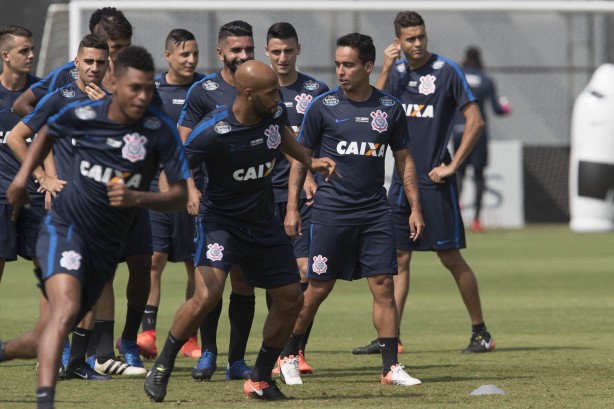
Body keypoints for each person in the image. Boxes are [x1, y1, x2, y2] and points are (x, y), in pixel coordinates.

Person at [0, 45, 189, 409]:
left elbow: (179, 196)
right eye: (134, 88)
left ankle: (25, 350)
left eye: (148, 89)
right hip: (67, 224)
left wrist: (140, 200)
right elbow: (38, 136)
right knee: (67, 306)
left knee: (48, 329)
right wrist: (32, 179)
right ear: (116, 83)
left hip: (109, 232)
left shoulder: (158, 129)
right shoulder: (79, 109)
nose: (142, 96)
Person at [143, 60, 337, 402]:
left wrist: (312, 162)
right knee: (206, 296)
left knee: (291, 299)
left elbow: (287, 141)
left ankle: (259, 380)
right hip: (221, 224)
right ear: (248, 94)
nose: (279, 98)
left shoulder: (273, 114)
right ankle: (162, 366)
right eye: (271, 92)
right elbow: (175, 167)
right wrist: (181, 192)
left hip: (263, 224)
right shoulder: (212, 131)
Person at [278, 33, 424, 387]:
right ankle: (287, 355)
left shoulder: (389, 108)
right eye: (338, 64)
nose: (340, 71)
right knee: (317, 288)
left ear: (368, 67)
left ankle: (390, 367)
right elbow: (301, 160)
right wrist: (292, 207)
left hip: (375, 211)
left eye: (348, 65)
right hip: (331, 211)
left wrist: (415, 208)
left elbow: (404, 162)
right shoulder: (323, 106)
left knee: (383, 285)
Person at [353, 11, 494, 355]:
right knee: (398, 259)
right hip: (401, 183)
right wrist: (385, 68)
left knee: (449, 257)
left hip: (432, 180)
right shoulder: (396, 73)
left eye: (421, 37)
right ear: (397, 41)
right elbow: (371, 109)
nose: (417, 44)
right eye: (410, 39)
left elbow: (475, 122)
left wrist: (453, 166)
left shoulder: (446, 71)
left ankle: (481, 333)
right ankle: (391, 337)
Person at [7, 33, 118, 380]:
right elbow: (15, 137)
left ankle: (77, 362)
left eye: (100, 62)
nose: (94, 68)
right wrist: (43, 178)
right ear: (76, 62)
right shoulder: (60, 98)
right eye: (88, 62)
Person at [174, 20, 257, 382]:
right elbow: (183, 146)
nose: (243, 56)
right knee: (211, 286)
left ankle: (236, 361)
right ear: (221, 52)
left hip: (254, 205)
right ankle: (208, 352)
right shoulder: (203, 91)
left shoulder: (260, 85)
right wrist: (191, 190)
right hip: (214, 206)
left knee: (244, 283)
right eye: (236, 50)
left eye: (248, 49)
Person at [264, 21, 329, 375]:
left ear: (298, 49)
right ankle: (273, 350)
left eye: (288, 50)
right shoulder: (257, 87)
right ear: (267, 52)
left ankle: (295, 349)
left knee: (306, 271)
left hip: (308, 195)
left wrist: (310, 175)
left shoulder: (316, 91)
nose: (283, 57)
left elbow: (324, 139)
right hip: (262, 196)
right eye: (276, 51)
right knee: (274, 279)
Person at [137, 28, 205, 360]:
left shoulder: (205, 88)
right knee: (155, 258)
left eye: (194, 54)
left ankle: (190, 336)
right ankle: (147, 331)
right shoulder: (153, 90)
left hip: (197, 188)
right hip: (157, 187)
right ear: (168, 56)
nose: (191, 60)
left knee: (196, 262)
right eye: (184, 54)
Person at [0, 25, 59, 285]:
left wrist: (49, 179)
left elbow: (49, 139)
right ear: (5, 56)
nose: (31, 55)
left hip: (38, 194)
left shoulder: (42, 91)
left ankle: (48, 327)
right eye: (24, 50)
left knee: (48, 273)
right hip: (1, 196)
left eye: (32, 49)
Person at [12, 7, 129, 117]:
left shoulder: (134, 75)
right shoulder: (66, 74)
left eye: (127, 46)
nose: (125, 53)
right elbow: (21, 105)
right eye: (117, 47)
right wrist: (56, 132)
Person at [452, 46, 511, 232]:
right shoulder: (486, 80)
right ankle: (476, 220)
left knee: (458, 172)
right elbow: (496, 109)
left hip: (457, 130)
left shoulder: (457, 77)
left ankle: (455, 209)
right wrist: (506, 108)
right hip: (478, 132)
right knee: (478, 175)